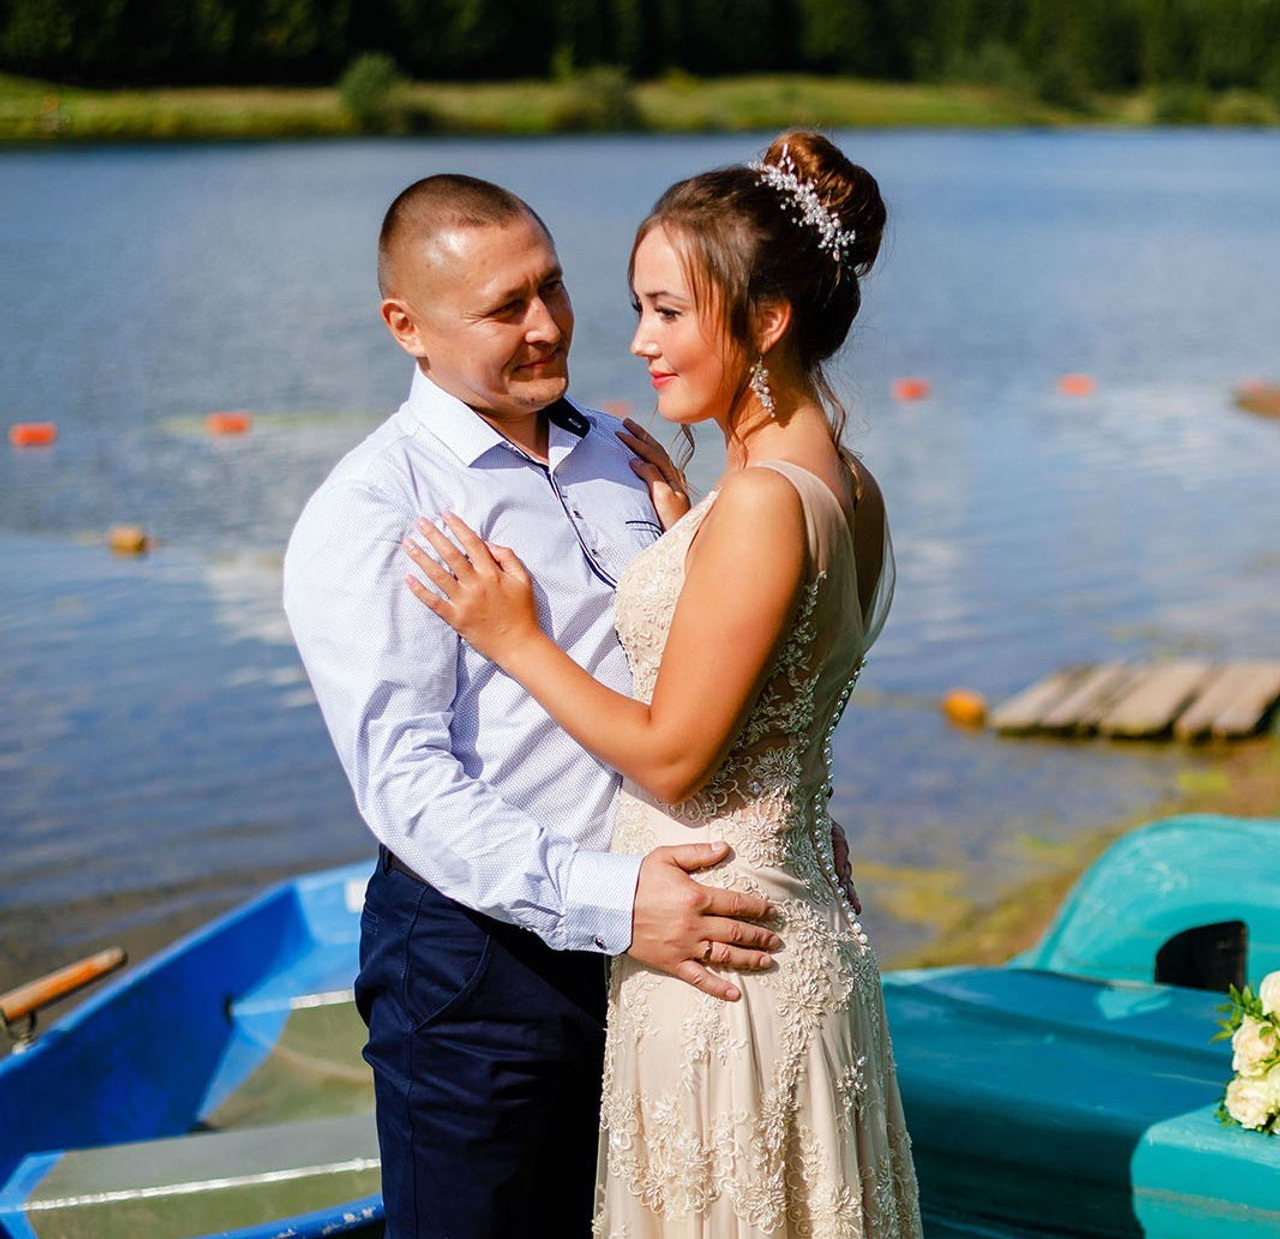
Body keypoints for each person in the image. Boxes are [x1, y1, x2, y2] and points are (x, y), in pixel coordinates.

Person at [402, 131, 924, 1237]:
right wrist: (682, 537)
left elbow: (675, 752)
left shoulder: (761, 507)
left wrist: (514, 635)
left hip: (716, 964)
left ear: (765, 322)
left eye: (667, 311)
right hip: (786, 916)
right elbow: (785, 660)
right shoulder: (844, 482)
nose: (636, 341)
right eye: (637, 307)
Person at [282, 173, 790, 1239]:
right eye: (504, 307)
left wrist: (760, 806)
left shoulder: (620, 450)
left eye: (552, 286)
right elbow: (406, 786)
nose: (549, 324)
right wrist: (616, 902)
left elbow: (680, 672)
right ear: (405, 327)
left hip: (656, 941)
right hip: (480, 979)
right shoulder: (375, 511)